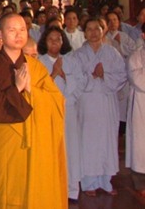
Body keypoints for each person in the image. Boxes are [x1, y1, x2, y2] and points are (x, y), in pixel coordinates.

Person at [0, 13, 66, 209]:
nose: (18, 34)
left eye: (22, 29)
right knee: (9, 191)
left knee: (36, 191)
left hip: (36, 141)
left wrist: (31, 90)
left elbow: (56, 101)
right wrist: (16, 89)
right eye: (12, 30)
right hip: (6, 142)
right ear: (0, 35)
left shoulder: (36, 67)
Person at [73, 17, 127, 197]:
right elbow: (75, 80)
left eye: (97, 28)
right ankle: (89, 182)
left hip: (106, 102)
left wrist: (105, 75)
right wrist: (93, 76)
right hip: (87, 104)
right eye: (89, 29)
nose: (94, 33)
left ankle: (105, 180)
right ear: (84, 33)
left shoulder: (112, 53)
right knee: (88, 141)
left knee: (107, 140)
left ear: (103, 30)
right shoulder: (78, 55)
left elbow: (122, 75)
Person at [37, 26, 84, 203]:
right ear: (45, 42)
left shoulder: (71, 61)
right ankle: (52, 188)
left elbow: (80, 84)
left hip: (68, 110)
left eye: (58, 39)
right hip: (47, 112)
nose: (55, 43)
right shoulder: (39, 62)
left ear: (63, 41)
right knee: (51, 150)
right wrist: (54, 73)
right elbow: (37, 88)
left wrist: (64, 76)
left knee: (70, 149)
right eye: (51, 39)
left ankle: (71, 189)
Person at [127, 23, 145, 197]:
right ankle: (140, 181)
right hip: (141, 104)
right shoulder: (136, 57)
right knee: (141, 144)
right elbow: (138, 80)